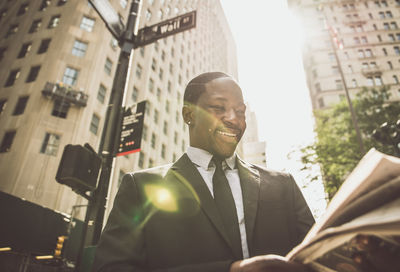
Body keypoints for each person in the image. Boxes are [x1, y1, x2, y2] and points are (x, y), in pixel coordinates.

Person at [92, 72, 315, 272]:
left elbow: (321, 259)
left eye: (240, 111)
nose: (233, 119)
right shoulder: (140, 187)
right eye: (219, 108)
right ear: (189, 114)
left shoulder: (283, 185)